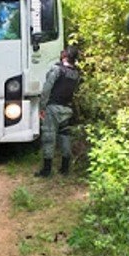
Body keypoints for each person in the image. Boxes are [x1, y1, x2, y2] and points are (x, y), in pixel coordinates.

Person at [35, 46, 80, 177]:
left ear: (66, 55)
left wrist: (42, 107)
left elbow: (46, 89)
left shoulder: (57, 69)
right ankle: (65, 169)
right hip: (67, 108)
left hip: (53, 108)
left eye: (64, 51)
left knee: (48, 137)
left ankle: (47, 170)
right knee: (65, 136)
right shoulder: (76, 73)